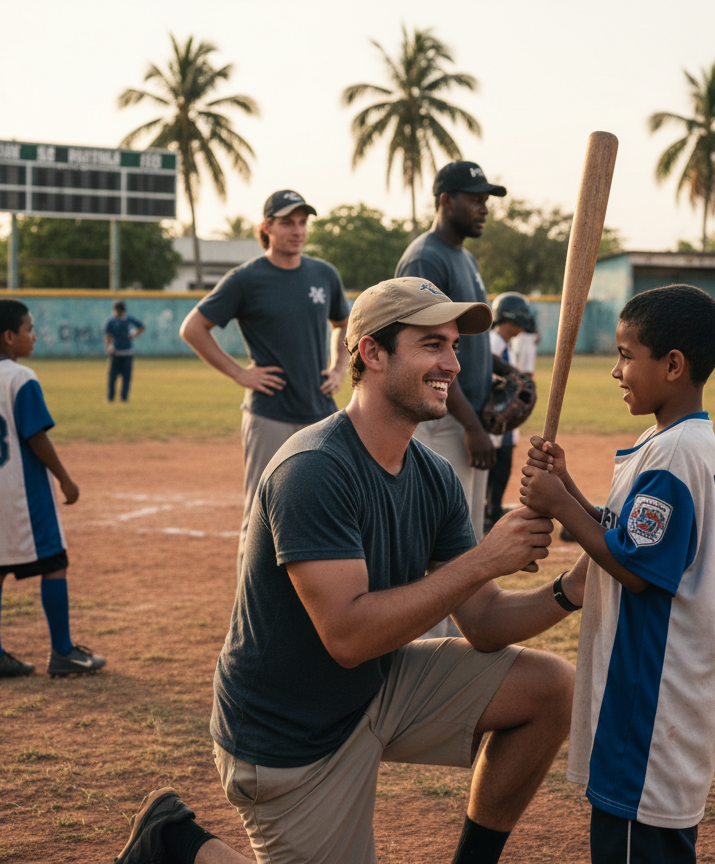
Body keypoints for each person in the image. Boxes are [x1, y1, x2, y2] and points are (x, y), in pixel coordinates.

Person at [116, 277, 577, 864]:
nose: (453, 365)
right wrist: (486, 557)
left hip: (375, 687)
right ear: (372, 353)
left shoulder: (432, 476)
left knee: (550, 688)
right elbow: (349, 637)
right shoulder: (314, 468)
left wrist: (569, 589)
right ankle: (176, 845)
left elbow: (483, 620)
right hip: (292, 733)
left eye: (455, 347)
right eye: (432, 345)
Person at [520, 284, 715, 864]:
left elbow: (638, 572)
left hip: (651, 699)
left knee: (636, 848)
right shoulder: (672, 439)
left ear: (672, 365)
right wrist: (571, 490)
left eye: (624, 355)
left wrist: (562, 508)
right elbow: (628, 536)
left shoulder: (673, 454)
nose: (615, 370)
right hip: (658, 692)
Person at [180, 190, 349, 574]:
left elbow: (344, 323)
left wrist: (339, 368)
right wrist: (240, 373)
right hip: (270, 415)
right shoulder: (246, 279)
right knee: (260, 513)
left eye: (303, 222)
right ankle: (250, 618)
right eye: (287, 222)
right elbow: (193, 328)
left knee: (328, 504)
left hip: (321, 414)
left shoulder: (324, 274)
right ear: (266, 227)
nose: (297, 230)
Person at [0, 299, 105, 680]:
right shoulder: (21, 376)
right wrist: (64, 477)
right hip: (21, 491)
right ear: (9, 337)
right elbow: (35, 436)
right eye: (29, 329)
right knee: (55, 563)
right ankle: (62, 653)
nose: (34, 335)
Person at [396, 161, 510, 544]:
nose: (484, 208)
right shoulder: (426, 258)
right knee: (440, 542)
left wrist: (508, 371)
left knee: (467, 541)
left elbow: (466, 341)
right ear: (446, 200)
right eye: (475, 199)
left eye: (486, 200)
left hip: (464, 417)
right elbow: (428, 354)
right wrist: (472, 428)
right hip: (442, 420)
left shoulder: (465, 258)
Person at [484, 291, 535, 532]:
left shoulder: (505, 345)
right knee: (495, 467)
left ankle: (493, 508)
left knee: (503, 466)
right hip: (492, 422)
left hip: (503, 426)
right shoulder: (492, 343)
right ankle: (489, 511)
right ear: (510, 318)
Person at [103, 301, 145, 402]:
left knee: (126, 377)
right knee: (112, 377)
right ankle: (110, 397)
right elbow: (107, 335)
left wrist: (134, 335)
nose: (117, 313)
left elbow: (141, 327)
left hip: (127, 353)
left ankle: (124, 397)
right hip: (115, 353)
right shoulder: (111, 321)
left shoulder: (128, 319)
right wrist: (108, 346)